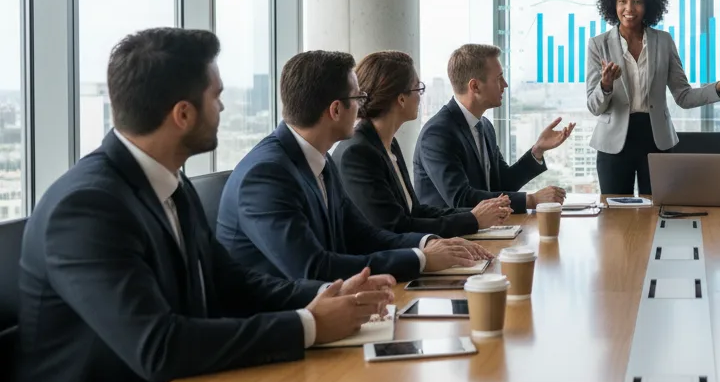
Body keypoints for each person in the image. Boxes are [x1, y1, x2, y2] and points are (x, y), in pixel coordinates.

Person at [14, 29, 391, 382]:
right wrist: (309, 325)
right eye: (216, 96)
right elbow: (159, 346)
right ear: (183, 114)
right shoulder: (87, 207)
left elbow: (233, 282)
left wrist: (329, 298)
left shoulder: (172, 183)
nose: (224, 106)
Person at [216, 50, 490, 283]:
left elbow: (363, 235)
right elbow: (312, 268)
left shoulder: (319, 160)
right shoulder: (266, 175)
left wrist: (430, 243)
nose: (362, 109)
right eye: (358, 99)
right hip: (281, 327)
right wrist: (420, 259)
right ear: (336, 110)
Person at [585, 0, 720, 195]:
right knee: (614, 217)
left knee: (658, 212)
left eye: (637, 1)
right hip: (613, 144)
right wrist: (605, 85)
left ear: (648, 5)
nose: (629, 9)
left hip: (656, 139)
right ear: (612, 5)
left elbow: (683, 96)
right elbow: (594, 106)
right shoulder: (598, 44)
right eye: (622, 1)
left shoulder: (663, 41)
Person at [332, 51, 512, 237]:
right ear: (401, 99)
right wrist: (472, 220)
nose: (420, 97)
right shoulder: (357, 153)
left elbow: (415, 212)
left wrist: (476, 215)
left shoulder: (388, 143)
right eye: (418, 89)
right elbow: (395, 228)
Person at [415, 43, 575, 212]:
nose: (505, 84)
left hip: (482, 230)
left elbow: (503, 184)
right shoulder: (438, 134)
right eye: (499, 78)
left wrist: (537, 150)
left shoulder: (484, 126)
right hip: (449, 235)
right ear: (475, 86)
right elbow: (461, 198)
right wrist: (530, 200)